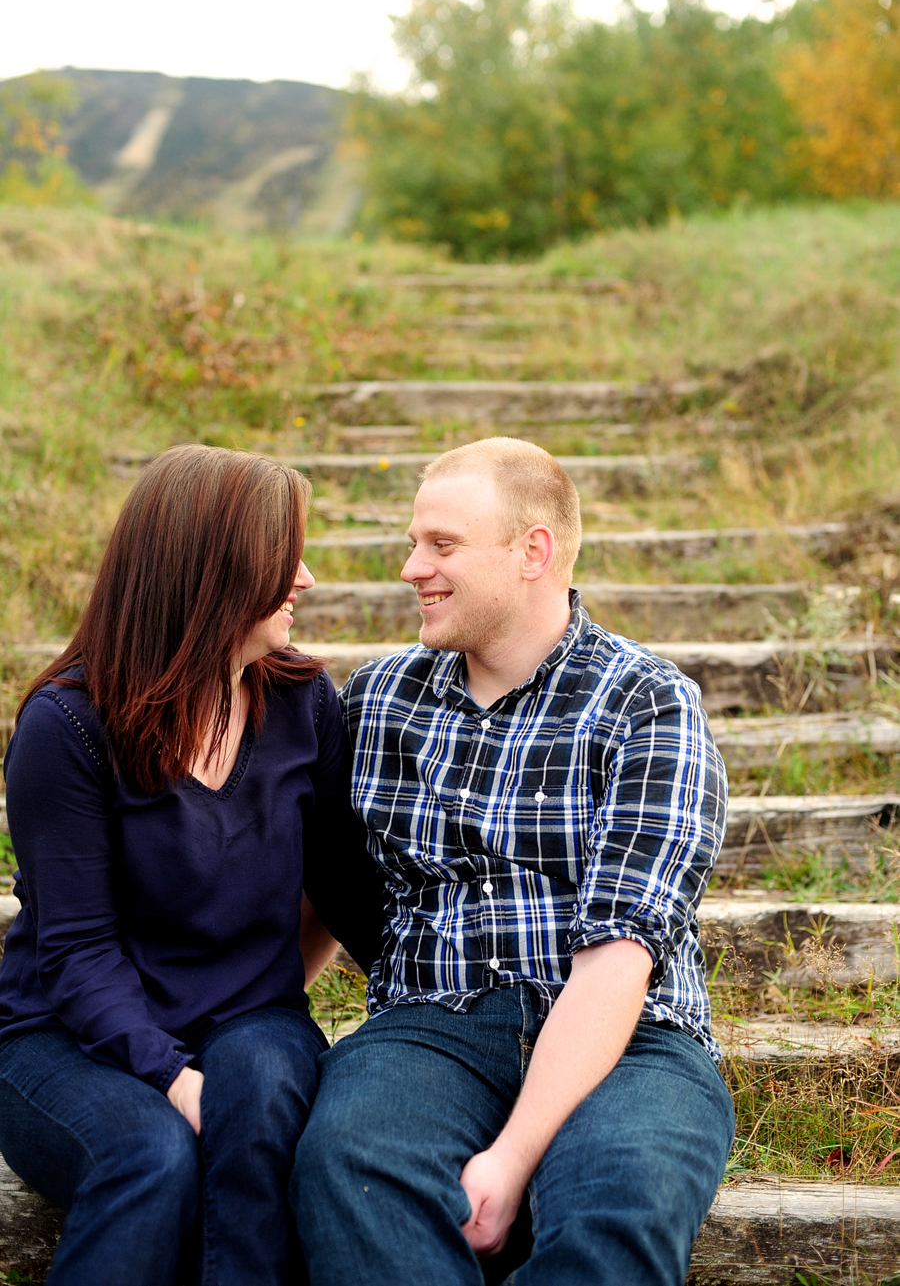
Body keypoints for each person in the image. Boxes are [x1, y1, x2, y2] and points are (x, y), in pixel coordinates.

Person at [292, 437, 734, 1286]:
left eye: (442, 544)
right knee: (351, 1165)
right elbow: (328, 886)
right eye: (415, 541)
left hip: (631, 1037)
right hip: (429, 1024)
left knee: (621, 1200)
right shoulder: (381, 698)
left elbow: (617, 961)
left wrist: (510, 1158)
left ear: (532, 551)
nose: (411, 566)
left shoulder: (648, 702)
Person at [0, 445, 382, 1286]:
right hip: (65, 1038)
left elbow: (350, 891)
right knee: (152, 1155)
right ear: (213, 573)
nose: (309, 579)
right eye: (285, 560)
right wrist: (173, 1079)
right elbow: (77, 953)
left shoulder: (302, 703)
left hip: (248, 1018)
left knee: (266, 1099)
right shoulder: (67, 730)